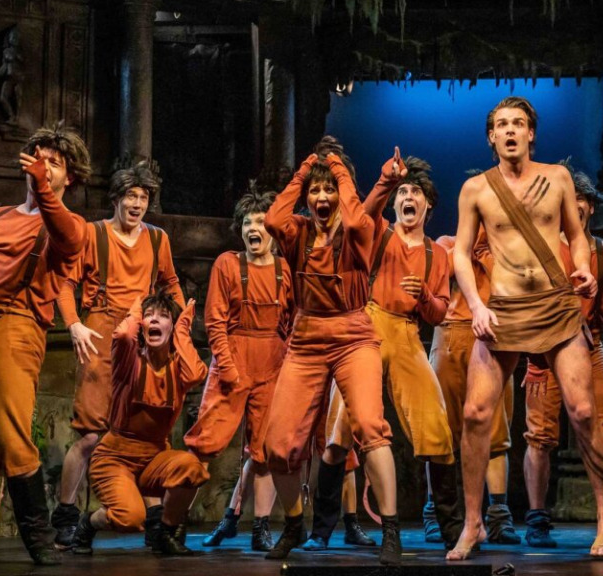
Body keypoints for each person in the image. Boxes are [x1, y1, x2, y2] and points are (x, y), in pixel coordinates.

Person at [448, 96, 603, 560]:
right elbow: (460, 252)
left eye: (518, 123)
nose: (510, 131)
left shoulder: (557, 177)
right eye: (501, 124)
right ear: (491, 136)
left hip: (555, 304)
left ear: (531, 133)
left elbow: (576, 235)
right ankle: (473, 523)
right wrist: (476, 305)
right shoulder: (476, 189)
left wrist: (583, 267)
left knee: (583, 411)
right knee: (475, 414)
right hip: (503, 308)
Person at [262, 137, 401, 565]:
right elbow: (272, 218)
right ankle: (293, 524)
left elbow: (357, 219)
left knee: (370, 426)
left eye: (330, 191)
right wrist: (305, 170)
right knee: (278, 445)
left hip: (353, 334)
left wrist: (339, 169)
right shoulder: (298, 233)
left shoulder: (360, 232)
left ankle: (391, 532)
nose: (322, 198)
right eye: (315, 192)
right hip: (306, 339)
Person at [309, 155, 459, 550]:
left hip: (408, 335)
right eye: (404, 192)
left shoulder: (437, 254)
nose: (409, 197)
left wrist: (424, 296)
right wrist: (387, 181)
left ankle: (452, 532)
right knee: (339, 432)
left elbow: (439, 313)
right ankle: (320, 531)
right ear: (396, 202)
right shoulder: (381, 233)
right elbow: (365, 214)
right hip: (367, 328)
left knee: (436, 429)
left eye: (417, 192)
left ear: (428, 204)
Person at [0, 124, 90, 565]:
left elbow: (68, 239)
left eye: (54, 163)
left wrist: (44, 190)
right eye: (38, 159)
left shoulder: (69, 225)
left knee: (11, 434)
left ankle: (39, 538)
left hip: (13, 327)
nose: (44, 167)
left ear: (70, 177)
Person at [522, 167, 603, 549]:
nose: (573, 206)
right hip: (543, 352)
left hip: (589, 348)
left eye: (579, 199)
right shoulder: (538, 250)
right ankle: (537, 518)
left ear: (590, 207)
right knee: (539, 437)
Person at [53, 161, 184, 548]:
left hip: (142, 337)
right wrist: (73, 323)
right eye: (131, 196)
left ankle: (156, 525)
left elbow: (171, 283)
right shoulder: (93, 234)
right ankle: (66, 517)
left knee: (144, 435)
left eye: (143, 197)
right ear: (116, 199)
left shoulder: (157, 239)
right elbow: (66, 283)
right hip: (101, 331)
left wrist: (179, 324)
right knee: (92, 435)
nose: (137, 204)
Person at [186, 190, 293, 552]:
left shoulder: (285, 270)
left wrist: (287, 367)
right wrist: (228, 367)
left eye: (261, 222)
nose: (253, 229)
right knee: (204, 444)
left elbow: (293, 321)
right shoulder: (228, 264)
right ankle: (170, 523)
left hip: (272, 362)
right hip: (233, 359)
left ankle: (260, 527)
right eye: (247, 222)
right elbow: (214, 321)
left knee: (264, 453)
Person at [69, 294, 208, 556]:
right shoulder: (129, 361)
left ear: (172, 327)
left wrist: (182, 328)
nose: (154, 320)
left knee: (192, 468)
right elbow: (123, 335)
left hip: (153, 458)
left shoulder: (177, 368)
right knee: (130, 518)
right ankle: (88, 523)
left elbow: (197, 373)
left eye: (163, 316)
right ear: (141, 325)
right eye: (149, 315)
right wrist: (137, 308)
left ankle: (165, 532)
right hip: (115, 458)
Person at [430, 230, 519, 546]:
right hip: (451, 333)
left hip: (493, 334)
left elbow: (508, 281)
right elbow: (444, 269)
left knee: (495, 429)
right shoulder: (448, 242)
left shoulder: (504, 248)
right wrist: (472, 250)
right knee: (441, 429)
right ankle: (436, 512)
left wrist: (486, 254)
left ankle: (498, 514)